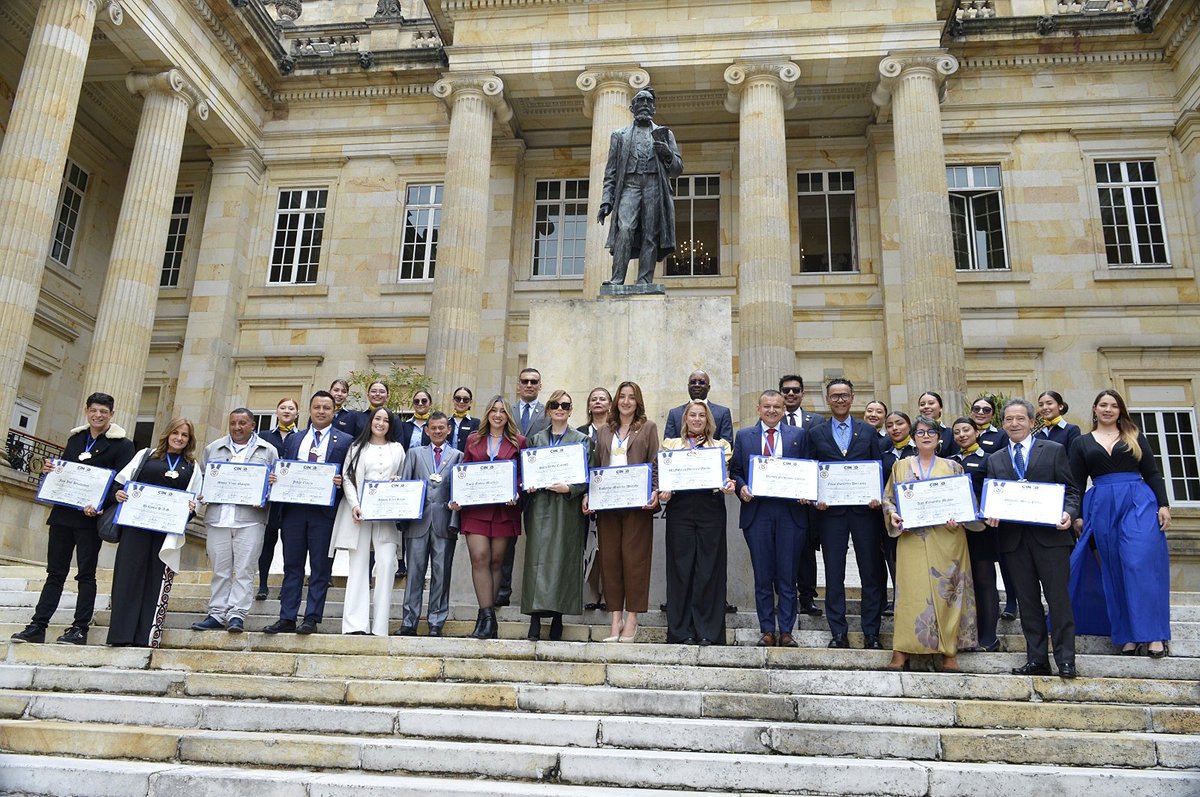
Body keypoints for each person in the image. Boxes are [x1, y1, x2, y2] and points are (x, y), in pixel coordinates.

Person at [13, 392, 136, 645]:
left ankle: (79, 629)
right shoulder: (76, 439)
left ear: (111, 414)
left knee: (86, 575)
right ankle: (38, 626)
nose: (98, 415)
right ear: (86, 411)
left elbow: (123, 484)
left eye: (103, 411)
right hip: (62, 515)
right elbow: (66, 474)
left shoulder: (123, 445)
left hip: (90, 520)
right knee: (54, 573)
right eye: (93, 410)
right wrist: (51, 471)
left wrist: (102, 504)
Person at [1069, 389, 1172, 657]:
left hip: (1138, 502)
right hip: (1101, 505)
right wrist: (1078, 514)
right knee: (1114, 569)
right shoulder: (1081, 443)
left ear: (1120, 410)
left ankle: (1153, 635)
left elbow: (1152, 472)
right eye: (1103, 405)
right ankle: (1127, 635)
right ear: (1094, 409)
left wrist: (1163, 505)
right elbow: (1077, 483)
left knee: (1139, 563)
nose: (1108, 409)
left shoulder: (1135, 436)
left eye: (1114, 405)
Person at [984, 398, 1081, 679]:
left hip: (1051, 539)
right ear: (1002, 424)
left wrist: (1068, 512)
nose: (1014, 424)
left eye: (1020, 419)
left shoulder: (1053, 450)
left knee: (1059, 601)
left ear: (1031, 422)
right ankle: (1037, 658)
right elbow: (994, 497)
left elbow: (1072, 491)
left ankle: (1066, 660)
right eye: (1009, 420)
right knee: (1028, 604)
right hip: (1014, 542)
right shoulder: (996, 459)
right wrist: (992, 514)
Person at [882, 415, 982, 672]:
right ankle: (901, 650)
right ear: (913, 437)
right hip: (912, 538)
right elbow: (889, 499)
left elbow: (967, 504)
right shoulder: (900, 467)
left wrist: (958, 518)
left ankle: (949, 653)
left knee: (949, 591)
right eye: (920, 432)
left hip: (947, 538)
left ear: (939, 438)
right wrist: (893, 514)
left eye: (931, 432)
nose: (925, 436)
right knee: (910, 593)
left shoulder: (953, 467)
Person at [263, 390, 353, 635]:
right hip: (293, 511)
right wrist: (274, 478)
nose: (321, 411)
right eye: (317, 407)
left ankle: (312, 617)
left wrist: (340, 483)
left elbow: (350, 476)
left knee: (320, 567)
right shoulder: (294, 439)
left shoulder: (345, 441)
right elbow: (284, 470)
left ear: (334, 411)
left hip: (324, 514)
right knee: (292, 565)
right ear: (310, 410)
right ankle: (287, 617)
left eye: (326, 407)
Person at [106, 417, 201, 647]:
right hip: (135, 527)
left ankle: (145, 637)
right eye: (175, 433)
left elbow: (195, 501)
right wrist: (118, 494)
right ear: (167, 434)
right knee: (128, 578)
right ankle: (121, 635)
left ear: (190, 439)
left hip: (165, 533)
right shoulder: (146, 456)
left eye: (184, 435)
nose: (179, 438)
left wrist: (190, 509)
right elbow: (120, 483)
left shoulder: (192, 466)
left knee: (155, 582)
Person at [729, 389, 810, 647]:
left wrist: (806, 491)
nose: (772, 410)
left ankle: (786, 630)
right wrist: (741, 487)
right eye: (767, 406)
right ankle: (767, 630)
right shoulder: (744, 436)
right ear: (758, 409)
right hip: (758, 513)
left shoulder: (798, 435)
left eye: (777, 406)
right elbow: (736, 471)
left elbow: (809, 467)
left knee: (788, 576)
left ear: (783, 408)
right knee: (763, 576)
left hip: (790, 513)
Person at [809, 379, 885, 649]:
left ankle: (871, 632)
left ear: (853, 398)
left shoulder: (867, 431)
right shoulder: (816, 433)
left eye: (844, 396)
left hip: (865, 513)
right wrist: (816, 497)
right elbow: (811, 470)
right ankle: (838, 632)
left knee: (871, 573)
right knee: (833, 574)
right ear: (827, 400)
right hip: (830, 516)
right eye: (834, 396)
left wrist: (877, 496)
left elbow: (878, 468)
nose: (840, 400)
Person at [585, 381, 660, 642]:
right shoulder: (605, 430)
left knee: (634, 561)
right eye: (622, 397)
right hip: (608, 505)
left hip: (636, 506)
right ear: (616, 401)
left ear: (638, 401)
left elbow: (655, 463)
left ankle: (632, 618)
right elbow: (595, 466)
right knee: (610, 561)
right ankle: (614, 618)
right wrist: (589, 495)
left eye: (632, 397)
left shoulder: (648, 428)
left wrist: (654, 491)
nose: (626, 401)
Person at [192, 409, 279, 634]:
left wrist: (268, 487)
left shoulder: (268, 450)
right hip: (218, 518)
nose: (237, 427)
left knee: (244, 570)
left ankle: (237, 614)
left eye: (242, 423)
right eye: (233, 423)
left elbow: (277, 486)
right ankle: (216, 613)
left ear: (252, 426)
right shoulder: (213, 448)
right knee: (220, 569)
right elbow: (201, 481)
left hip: (250, 520)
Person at [659, 399, 735, 645]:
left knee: (708, 570)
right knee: (681, 569)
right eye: (692, 415)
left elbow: (727, 477)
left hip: (710, 509)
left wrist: (729, 484)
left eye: (702, 416)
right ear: (685, 419)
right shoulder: (671, 445)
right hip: (680, 509)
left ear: (708, 420)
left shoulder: (721, 446)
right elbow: (662, 475)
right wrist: (664, 490)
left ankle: (708, 632)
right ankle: (682, 631)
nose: (697, 419)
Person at [451, 396, 526, 639]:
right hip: (477, 510)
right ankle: (486, 616)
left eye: (502, 411)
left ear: (508, 417)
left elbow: (524, 476)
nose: (497, 415)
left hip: (505, 510)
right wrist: (457, 495)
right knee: (480, 557)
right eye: (493, 410)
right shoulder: (474, 439)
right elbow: (464, 470)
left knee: (496, 561)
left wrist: (516, 490)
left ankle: (487, 622)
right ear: (487, 414)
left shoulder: (519, 441)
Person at [330, 407, 406, 636]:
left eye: (385, 420)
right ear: (370, 422)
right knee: (359, 566)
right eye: (377, 419)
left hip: (386, 515)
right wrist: (354, 504)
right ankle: (355, 625)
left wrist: (397, 481)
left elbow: (404, 476)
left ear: (390, 425)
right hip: (359, 514)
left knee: (385, 563)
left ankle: (380, 627)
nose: (381, 423)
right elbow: (347, 478)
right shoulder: (356, 447)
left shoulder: (398, 449)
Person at [521, 390, 591, 641]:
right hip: (540, 504)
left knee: (564, 559)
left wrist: (571, 489)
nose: (559, 409)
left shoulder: (581, 440)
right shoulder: (536, 440)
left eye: (565, 405)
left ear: (571, 410)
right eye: (555, 405)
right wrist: (528, 484)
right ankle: (535, 618)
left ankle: (559, 616)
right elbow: (526, 472)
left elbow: (588, 476)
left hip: (566, 507)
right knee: (536, 560)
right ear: (548, 410)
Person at [597, 86, 684, 285]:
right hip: (630, 184)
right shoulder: (619, 135)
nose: (645, 105)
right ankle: (617, 278)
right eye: (640, 101)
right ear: (632, 107)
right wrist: (606, 202)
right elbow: (610, 172)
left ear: (653, 108)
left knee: (650, 234)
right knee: (625, 228)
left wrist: (667, 154)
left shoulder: (664, 134)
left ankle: (645, 281)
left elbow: (678, 169)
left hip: (654, 184)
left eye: (648, 102)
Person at [396, 412, 462, 636]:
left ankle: (436, 621)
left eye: (441, 427)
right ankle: (409, 621)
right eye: (433, 428)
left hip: (444, 522)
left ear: (449, 429)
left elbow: (459, 492)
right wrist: (403, 520)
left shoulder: (458, 456)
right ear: (426, 430)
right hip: (417, 521)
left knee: (441, 574)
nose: (437, 431)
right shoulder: (414, 454)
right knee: (414, 573)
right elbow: (405, 485)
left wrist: (455, 520)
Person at [497, 368, 549, 607]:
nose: (529, 385)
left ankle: (537, 592)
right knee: (506, 542)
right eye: (525, 381)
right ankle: (502, 592)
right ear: (518, 385)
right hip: (509, 484)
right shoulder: (507, 411)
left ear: (540, 385)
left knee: (538, 539)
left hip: (539, 487)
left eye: (534, 382)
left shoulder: (548, 412)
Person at [951, 416, 1001, 652]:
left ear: (976, 433)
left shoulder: (989, 459)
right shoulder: (948, 462)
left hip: (980, 530)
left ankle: (989, 635)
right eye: (957, 432)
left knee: (984, 580)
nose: (962, 435)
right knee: (960, 581)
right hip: (954, 531)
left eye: (966, 430)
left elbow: (997, 490)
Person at [780, 375, 823, 618]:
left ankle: (807, 597)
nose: (791, 394)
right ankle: (785, 598)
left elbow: (819, 456)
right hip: (780, 498)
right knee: (783, 551)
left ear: (802, 393)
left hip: (806, 501)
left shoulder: (815, 420)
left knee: (806, 551)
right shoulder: (771, 418)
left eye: (795, 390)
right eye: (786, 390)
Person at [257, 397, 299, 600]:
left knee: (290, 545)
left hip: (291, 500)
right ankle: (263, 584)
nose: (287, 411)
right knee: (267, 542)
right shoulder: (263, 436)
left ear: (297, 414)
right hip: (269, 500)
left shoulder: (302, 437)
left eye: (291, 408)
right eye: (283, 407)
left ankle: (286, 586)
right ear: (276, 411)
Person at [878, 411, 917, 614]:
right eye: (890, 425)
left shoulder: (921, 451)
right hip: (891, 517)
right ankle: (899, 599)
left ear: (909, 425)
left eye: (900, 423)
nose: (895, 428)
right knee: (893, 558)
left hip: (919, 518)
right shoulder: (884, 455)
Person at [579, 387, 611, 611]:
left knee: (608, 545)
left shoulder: (618, 430)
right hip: (585, 496)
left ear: (610, 404)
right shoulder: (579, 432)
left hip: (612, 494)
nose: (598, 402)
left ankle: (610, 593)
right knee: (590, 545)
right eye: (594, 399)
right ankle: (593, 592)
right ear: (589, 405)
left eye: (603, 399)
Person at [663, 370, 734, 442]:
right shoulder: (675, 414)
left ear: (708, 388)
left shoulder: (723, 413)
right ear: (688, 386)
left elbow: (727, 445)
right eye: (693, 382)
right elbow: (669, 447)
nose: (697, 385)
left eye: (702, 382)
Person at [917, 391, 958, 458]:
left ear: (940, 408)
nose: (926, 406)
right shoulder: (913, 432)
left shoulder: (950, 433)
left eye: (931, 403)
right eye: (922, 404)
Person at [450, 386, 480, 451]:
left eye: (465, 399)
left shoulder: (476, 423)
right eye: (458, 398)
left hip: (467, 460)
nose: (461, 402)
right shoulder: (446, 421)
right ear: (453, 400)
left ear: (470, 402)